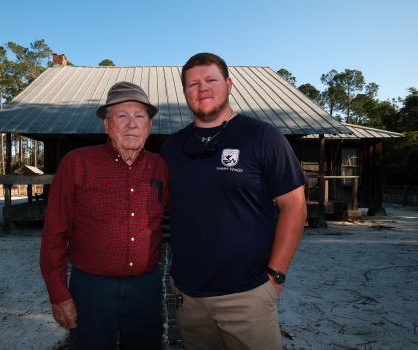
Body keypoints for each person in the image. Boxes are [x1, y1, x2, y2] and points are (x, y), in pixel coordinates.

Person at [160, 53, 308, 350]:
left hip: (248, 293)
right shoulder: (173, 146)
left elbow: (294, 205)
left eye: (210, 80)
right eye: (193, 84)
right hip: (189, 296)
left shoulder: (262, 136)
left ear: (228, 84)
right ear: (185, 92)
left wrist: (275, 277)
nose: (202, 89)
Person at [40, 81, 169, 350]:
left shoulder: (160, 167)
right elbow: (55, 232)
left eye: (140, 116)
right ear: (107, 125)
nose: (132, 124)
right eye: (122, 116)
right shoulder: (77, 163)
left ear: (149, 126)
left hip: (146, 289)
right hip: (91, 290)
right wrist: (58, 294)